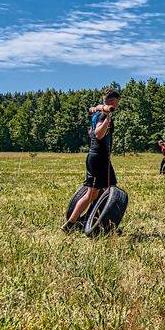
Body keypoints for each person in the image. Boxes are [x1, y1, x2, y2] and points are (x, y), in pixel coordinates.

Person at [62, 88, 120, 231]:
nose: (117, 105)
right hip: (99, 159)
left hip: (99, 158)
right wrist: (108, 119)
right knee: (94, 194)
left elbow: (90, 133)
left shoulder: (96, 114)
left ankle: (93, 221)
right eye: (117, 102)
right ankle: (72, 224)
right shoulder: (101, 116)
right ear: (112, 101)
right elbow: (98, 134)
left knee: (101, 192)